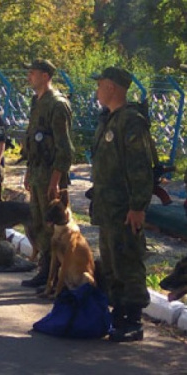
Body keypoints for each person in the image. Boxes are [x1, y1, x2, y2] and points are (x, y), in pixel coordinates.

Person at [91, 67, 153, 342]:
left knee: (128, 259)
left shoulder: (130, 121)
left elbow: (140, 168)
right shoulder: (109, 119)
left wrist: (138, 206)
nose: (97, 90)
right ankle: (117, 312)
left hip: (125, 208)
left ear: (112, 88)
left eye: (100, 85)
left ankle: (133, 319)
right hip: (108, 207)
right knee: (111, 261)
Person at [20, 59, 73, 289]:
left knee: (53, 227)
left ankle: (55, 275)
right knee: (39, 223)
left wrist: (55, 181)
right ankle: (46, 270)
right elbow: (34, 142)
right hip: (37, 173)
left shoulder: (57, 104)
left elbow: (64, 148)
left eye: (32, 73)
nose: (29, 77)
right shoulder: (37, 101)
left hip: (50, 176)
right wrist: (28, 172)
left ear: (45, 76)